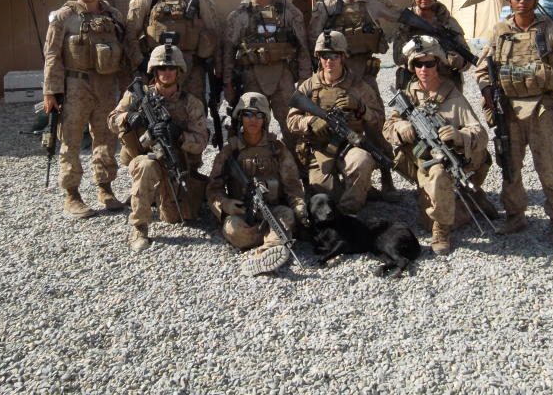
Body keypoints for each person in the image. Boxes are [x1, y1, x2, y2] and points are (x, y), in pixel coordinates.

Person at [473, 0, 553, 246]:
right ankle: (515, 215)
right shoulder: (499, 33)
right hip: (509, 111)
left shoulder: (552, 33)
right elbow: (482, 71)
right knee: (510, 167)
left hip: (543, 111)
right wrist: (490, 100)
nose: (522, 1)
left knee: (551, 167)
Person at [383, 36, 491, 255]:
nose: (424, 69)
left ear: (438, 64)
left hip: (452, 158)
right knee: (427, 215)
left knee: (442, 173)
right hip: (421, 160)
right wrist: (400, 127)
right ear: (412, 66)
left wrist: (460, 135)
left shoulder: (452, 95)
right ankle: (456, 208)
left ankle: (442, 227)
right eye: (418, 64)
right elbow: (387, 128)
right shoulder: (408, 95)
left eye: (429, 63)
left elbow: (480, 133)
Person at [307, 0, 401, 200]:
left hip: (364, 75)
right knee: (332, 123)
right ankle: (336, 178)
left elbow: (402, 17)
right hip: (334, 73)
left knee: (374, 124)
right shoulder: (327, 6)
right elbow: (312, 40)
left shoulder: (374, 3)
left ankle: (387, 179)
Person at [108, 43, 209, 252]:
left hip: (177, 163)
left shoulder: (191, 103)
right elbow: (111, 120)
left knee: (177, 217)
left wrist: (178, 135)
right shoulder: (138, 95)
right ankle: (139, 228)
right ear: (154, 70)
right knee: (145, 166)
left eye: (171, 68)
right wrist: (129, 116)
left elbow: (200, 142)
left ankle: (154, 197)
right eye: (162, 68)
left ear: (179, 71)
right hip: (148, 158)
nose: (167, 72)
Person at [42, 0, 125, 219]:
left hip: (106, 85)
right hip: (76, 86)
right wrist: (50, 91)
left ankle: (105, 187)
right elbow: (52, 55)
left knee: (106, 137)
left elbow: (126, 49)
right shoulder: (64, 16)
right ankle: (72, 195)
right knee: (72, 139)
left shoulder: (113, 16)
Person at [207, 92, 308, 276]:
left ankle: (265, 251)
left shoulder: (277, 149)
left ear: (265, 119)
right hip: (243, 214)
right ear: (240, 117)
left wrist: (299, 207)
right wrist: (225, 205)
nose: (253, 120)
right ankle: (275, 242)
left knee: (287, 216)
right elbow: (213, 189)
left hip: (273, 209)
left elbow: (292, 185)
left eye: (259, 115)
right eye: (247, 114)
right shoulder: (231, 150)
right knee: (232, 229)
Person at [286, 30, 383, 215]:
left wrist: (361, 108)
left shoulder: (358, 86)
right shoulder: (308, 86)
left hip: (349, 145)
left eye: (334, 55)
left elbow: (379, 120)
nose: (329, 61)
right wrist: (310, 121)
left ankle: (350, 213)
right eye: (324, 56)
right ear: (318, 58)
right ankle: (358, 189)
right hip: (320, 149)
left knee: (362, 161)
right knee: (324, 191)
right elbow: (291, 120)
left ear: (343, 57)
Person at [222, 0, 311, 152]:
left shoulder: (289, 12)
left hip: (284, 79)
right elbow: (228, 52)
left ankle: (300, 174)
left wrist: (304, 83)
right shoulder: (238, 16)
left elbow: (303, 50)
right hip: (251, 79)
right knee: (252, 132)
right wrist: (227, 83)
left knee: (293, 128)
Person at [124, 0, 221, 102]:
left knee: (194, 114)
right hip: (157, 69)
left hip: (191, 71)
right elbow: (129, 33)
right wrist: (141, 62)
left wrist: (218, 72)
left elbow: (215, 34)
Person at [392, 0, 472, 89]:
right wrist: (411, 49)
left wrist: (450, 58)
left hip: (444, 85)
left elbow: (467, 62)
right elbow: (397, 59)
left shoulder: (448, 23)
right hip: (413, 85)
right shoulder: (406, 23)